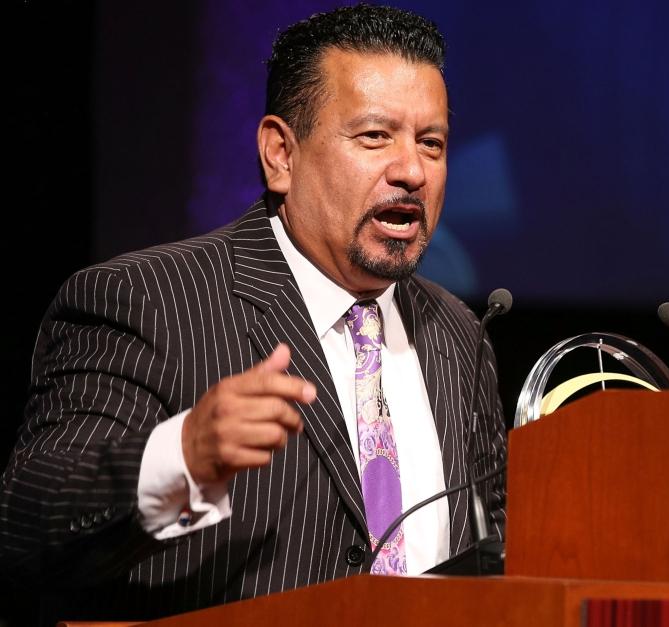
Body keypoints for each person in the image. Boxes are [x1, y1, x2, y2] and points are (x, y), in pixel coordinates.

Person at [0, 5, 505, 622]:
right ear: (280, 155)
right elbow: (26, 526)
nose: (411, 171)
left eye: (432, 144)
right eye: (375, 136)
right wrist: (181, 457)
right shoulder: (146, 300)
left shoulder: (458, 335)